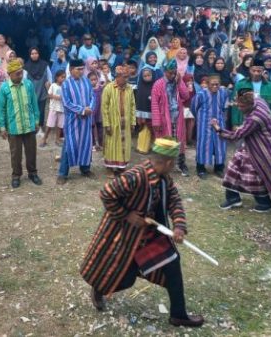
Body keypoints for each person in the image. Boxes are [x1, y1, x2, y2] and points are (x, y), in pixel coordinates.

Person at [80, 139, 204, 328]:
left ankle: (178, 314)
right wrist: (127, 215)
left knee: (172, 263)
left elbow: (173, 198)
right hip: (126, 236)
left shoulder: (164, 177)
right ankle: (99, 288)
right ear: (169, 163)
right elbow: (106, 193)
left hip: (149, 235)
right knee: (126, 278)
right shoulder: (136, 176)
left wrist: (179, 226)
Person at [213, 90, 271, 213]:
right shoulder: (258, 101)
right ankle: (233, 198)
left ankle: (265, 203)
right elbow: (252, 94)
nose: (239, 108)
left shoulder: (255, 118)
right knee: (234, 167)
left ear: (250, 105)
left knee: (254, 176)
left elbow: (236, 136)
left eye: (242, 106)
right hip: (252, 145)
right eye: (238, 105)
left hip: (264, 149)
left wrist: (218, 129)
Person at [0, 59, 42, 188]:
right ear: (10, 74)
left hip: (29, 125)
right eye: (17, 73)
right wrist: (2, 127)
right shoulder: (4, 88)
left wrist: (37, 120)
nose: (20, 75)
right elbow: (1, 109)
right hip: (13, 127)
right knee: (15, 154)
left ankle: (33, 173)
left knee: (31, 152)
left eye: (21, 72)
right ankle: (16, 175)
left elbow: (34, 103)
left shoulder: (28, 85)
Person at [56, 59, 96, 184]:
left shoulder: (86, 81)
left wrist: (90, 107)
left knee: (86, 144)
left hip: (86, 121)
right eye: (78, 69)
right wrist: (82, 110)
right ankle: (63, 173)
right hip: (73, 121)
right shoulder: (66, 84)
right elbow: (67, 103)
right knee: (70, 145)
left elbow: (93, 96)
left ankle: (85, 168)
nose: (81, 71)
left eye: (82, 69)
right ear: (71, 69)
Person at [151, 60, 190, 176]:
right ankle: (162, 166)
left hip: (177, 118)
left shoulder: (178, 82)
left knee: (179, 141)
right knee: (165, 141)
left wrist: (180, 82)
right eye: (170, 73)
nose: (172, 75)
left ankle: (181, 164)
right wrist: (156, 121)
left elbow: (186, 95)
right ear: (165, 72)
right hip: (164, 119)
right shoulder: (158, 84)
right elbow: (154, 104)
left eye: (174, 73)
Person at [191, 75, 228, 178]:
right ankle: (201, 168)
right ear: (207, 84)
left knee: (220, 145)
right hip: (204, 124)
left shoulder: (223, 93)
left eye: (217, 84)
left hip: (219, 124)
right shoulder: (201, 94)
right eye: (212, 84)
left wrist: (221, 119)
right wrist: (201, 118)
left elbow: (224, 108)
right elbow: (194, 107)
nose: (215, 86)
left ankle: (219, 167)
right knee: (203, 145)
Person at [101, 66, 136, 174]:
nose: (126, 80)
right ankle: (110, 168)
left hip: (125, 122)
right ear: (118, 76)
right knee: (112, 144)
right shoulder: (109, 87)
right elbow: (104, 107)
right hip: (112, 122)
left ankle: (121, 167)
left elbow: (132, 105)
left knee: (124, 144)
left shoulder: (129, 88)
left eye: (128, 77)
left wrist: (133, 122)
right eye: (124, 77)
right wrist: (107, 124)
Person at [231, 59, 271, 127]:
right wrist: (235, 123)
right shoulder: (240, 84)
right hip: (244, 122)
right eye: (254, 71)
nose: (256, 73)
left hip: (264, 122)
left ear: (263, 71)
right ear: (250, 70)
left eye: (259, 71)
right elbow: (235, 105)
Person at [25, 47, 51, 128]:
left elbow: (49, 77)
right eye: (32, 54)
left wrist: (49, 85)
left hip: (42, 90)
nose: (34, 55)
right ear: (30, 55)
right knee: (31, 110)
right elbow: (24, 80)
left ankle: (40, 127)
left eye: (36, 53)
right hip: (31, 92)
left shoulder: (44, 65)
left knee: (41, 110)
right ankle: (32, 126)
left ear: (39, 54)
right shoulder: (26, 66)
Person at [40, 70, 65, 147]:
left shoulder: (65, 86)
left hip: (62, 109)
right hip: (53, 108)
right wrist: (58, 97)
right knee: (50, 125)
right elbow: (49, 95)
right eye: (62, 77)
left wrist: (61, 98)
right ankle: (44, 139)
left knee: (60, 125)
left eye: (64, 77)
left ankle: (57, 139)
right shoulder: (53, 85)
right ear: (57, 77)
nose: (63, 79)